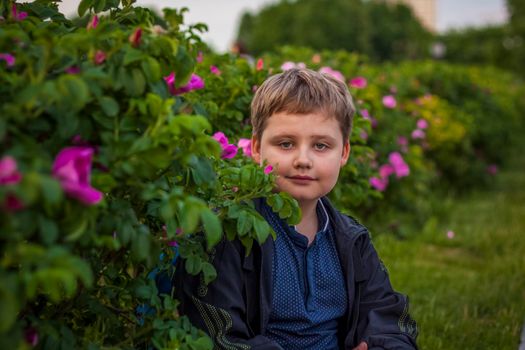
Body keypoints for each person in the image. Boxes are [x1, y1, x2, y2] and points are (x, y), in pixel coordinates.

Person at [174, 68, 418, 349]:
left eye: (321, 146)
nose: (303, 160)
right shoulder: (230, 235)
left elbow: (388, 317)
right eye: (286, 144)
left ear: (344, 153)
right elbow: (219, 336)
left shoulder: (352, 240)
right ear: (256, 148)